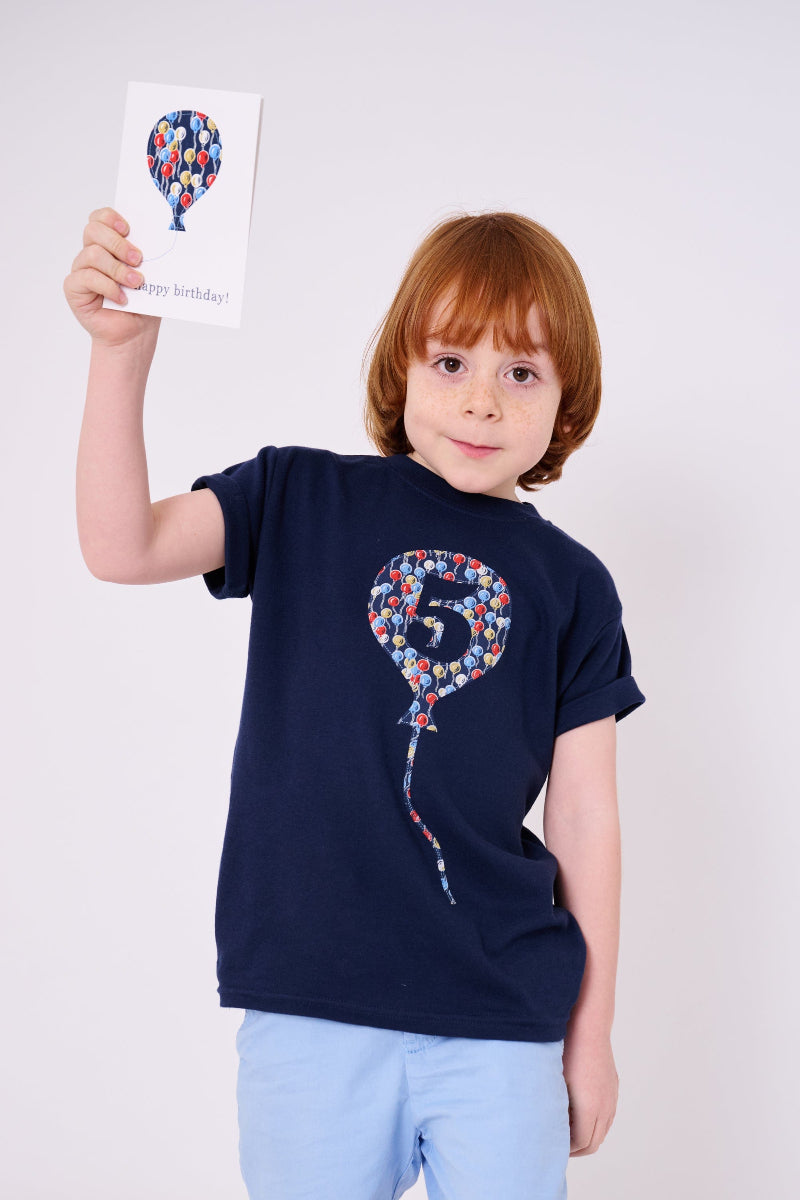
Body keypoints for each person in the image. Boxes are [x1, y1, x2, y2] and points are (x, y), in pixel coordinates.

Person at [65, 206, 646, 1200]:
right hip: (311, 1009)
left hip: (502, 1012)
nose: (482, 403)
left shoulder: (573, 583)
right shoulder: (298, 498)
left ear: (566, 403)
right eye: (450, 361)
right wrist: (122, 353)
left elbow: (584, 813)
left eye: (522, 373)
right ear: (401, 368)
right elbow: (122, 547)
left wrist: (589, 1035)